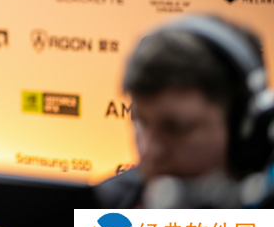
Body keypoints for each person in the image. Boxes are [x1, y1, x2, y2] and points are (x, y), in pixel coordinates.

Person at [95, 14, 274, 208]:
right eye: (141, 123)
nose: (149, 151)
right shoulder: (112, 203)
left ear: (245, 129)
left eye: (175, 128)